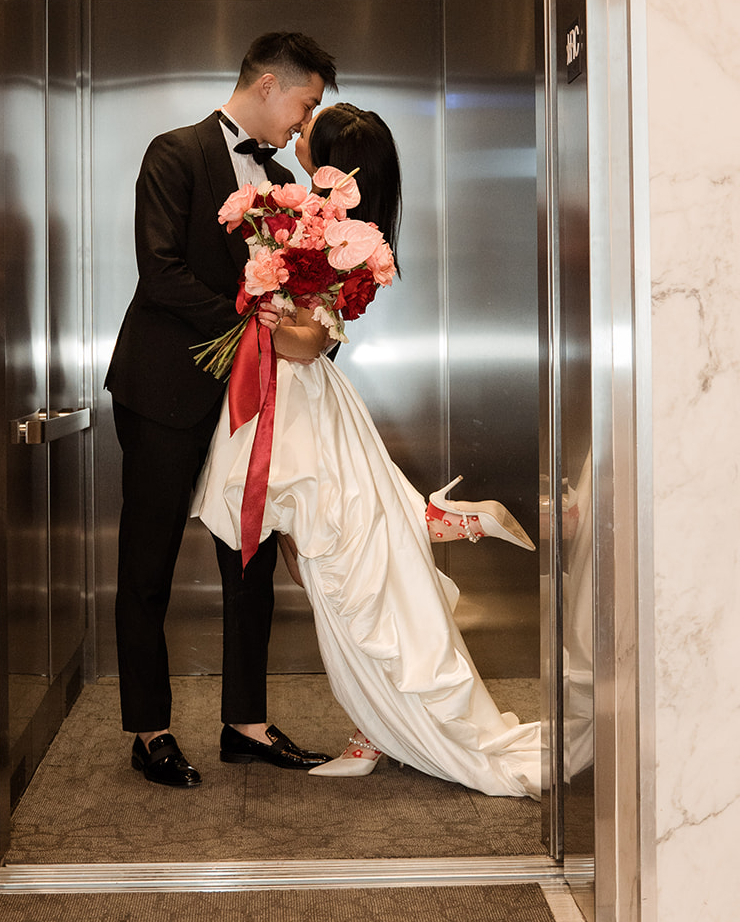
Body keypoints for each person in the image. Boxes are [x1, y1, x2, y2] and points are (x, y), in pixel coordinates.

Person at [192, 102, 541, 798]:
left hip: (295, 398)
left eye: (305, 133)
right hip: (293, 400)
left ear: (336, 163)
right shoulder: (321, 222)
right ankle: (424, 523)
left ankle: (376, 725)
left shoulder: (338, 235)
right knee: (330, 564)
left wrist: (270, 313)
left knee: (338, 575)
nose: (294, 135)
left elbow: (311, 338)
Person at [105, 31, 338, 788]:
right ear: (269, 84)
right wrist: (249, 322)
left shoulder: (279, 182)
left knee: (252, 556)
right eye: (304, 106)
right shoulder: (173, 153)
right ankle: (150, 729)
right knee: (148, 564)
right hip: (166, 391)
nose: (303, 127)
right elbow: (160, 272)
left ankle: (246, 722)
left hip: (249, 400)